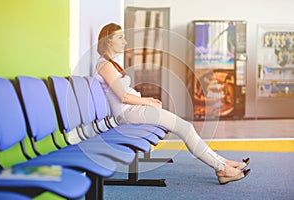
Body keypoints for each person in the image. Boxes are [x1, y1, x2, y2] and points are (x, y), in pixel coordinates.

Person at [93, 22, 250, 184]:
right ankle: (221, 168)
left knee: (186, 127)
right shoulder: (104, 64)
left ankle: (223, 163)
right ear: (109, 40)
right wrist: (147, 101)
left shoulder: (110, 63)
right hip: (130, 113)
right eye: (120, 37)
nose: (125, 41)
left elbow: (124, 94)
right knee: (186, 128)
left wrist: (148, 101)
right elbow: (123, 96)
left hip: (134, 110)